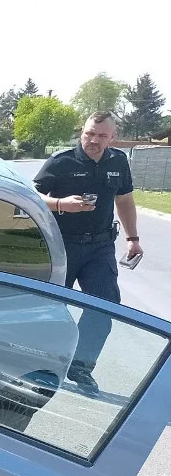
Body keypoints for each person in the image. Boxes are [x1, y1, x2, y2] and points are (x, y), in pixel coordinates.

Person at [33, 111, 143, 395]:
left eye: (101, 136)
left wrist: (132, 238)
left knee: (104, 307)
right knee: (53, 308)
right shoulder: (61, 162)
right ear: (81, 132)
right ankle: (43, 368)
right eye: (89, 134)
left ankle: (80, 367)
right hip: (62, 245)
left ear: (112, 137)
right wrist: (60, 204)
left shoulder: (118, 161)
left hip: (100, 247)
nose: (93, 141)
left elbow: (125, 199)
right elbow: (30, 198)